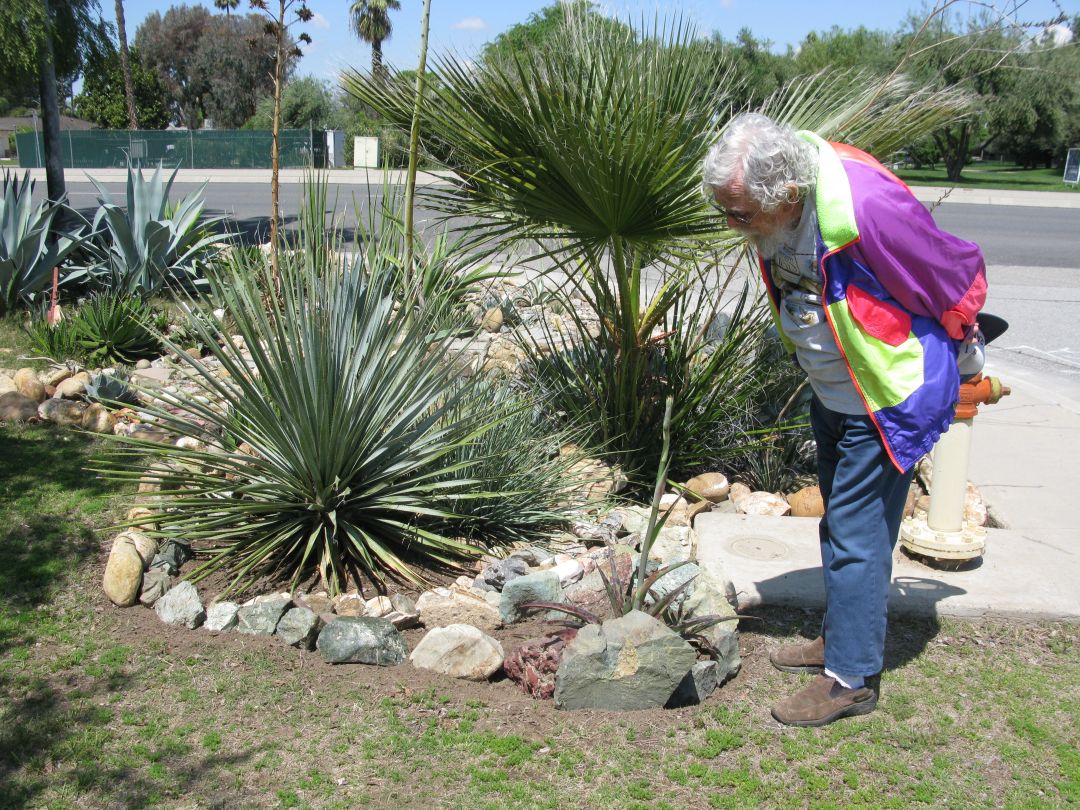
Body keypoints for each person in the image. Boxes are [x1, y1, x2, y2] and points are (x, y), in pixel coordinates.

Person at [702, 113, 986, 727]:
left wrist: (964, 347)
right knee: (842, 528)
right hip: (835, 393)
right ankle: (842, 639)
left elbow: (951, 273)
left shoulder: (866, 206)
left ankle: (852, 679)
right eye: (727, 212)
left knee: (858, 541)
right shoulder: (779, 217)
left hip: (883, 400)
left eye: (742, 214)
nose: (734, 227)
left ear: (788, 194)